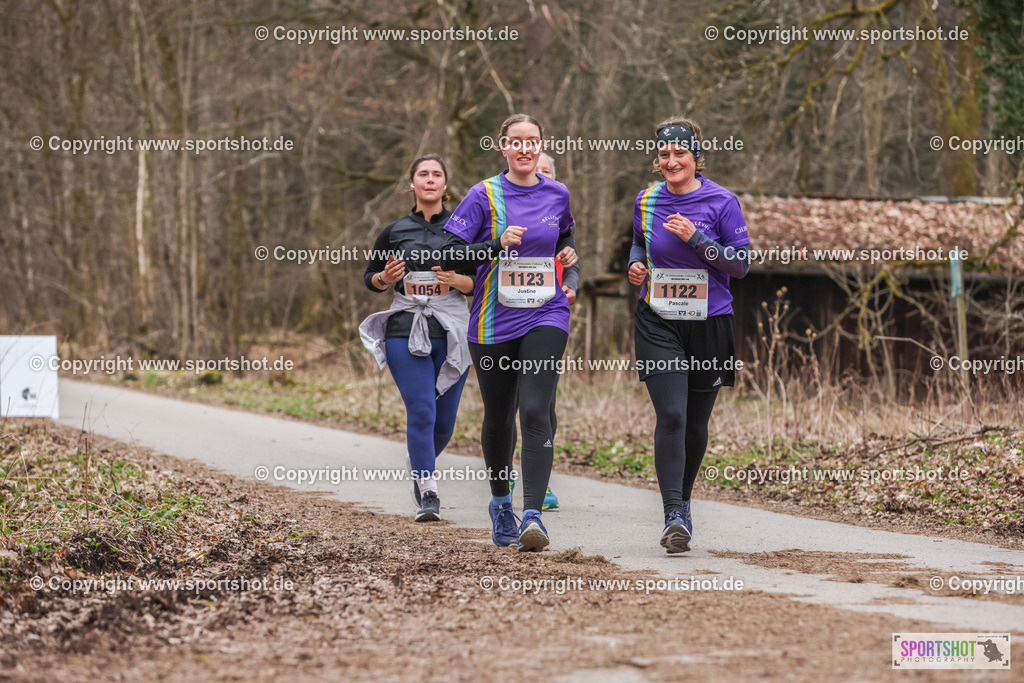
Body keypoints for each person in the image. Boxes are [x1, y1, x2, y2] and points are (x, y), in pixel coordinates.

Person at [440, 114, 577, 551]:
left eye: (532, 142)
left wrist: (567, 253)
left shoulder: (558, 193)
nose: (525, 149)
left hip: (546, 313)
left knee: (536, 411)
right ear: (503, 147)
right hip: (493, 321)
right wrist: (495, 245)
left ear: (540, 146)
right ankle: (502, 504)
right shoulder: (484, 195)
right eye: (516, 142)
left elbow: (564, 235)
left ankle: (533, 514)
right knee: (500, 417)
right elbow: (450, 255)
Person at [627, 117, 750, 553]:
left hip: (710, 321)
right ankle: (673, 512)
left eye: (681, 153)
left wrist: (698, 239)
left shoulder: (722, 201)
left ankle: (686, 499)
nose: (672, 160)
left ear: (697, 158)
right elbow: (640, 242)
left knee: (696, 422)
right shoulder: (646, 199)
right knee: (673, 416)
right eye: (664, 154)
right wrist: (635, 265)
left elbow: (740, 265)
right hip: (657, 320)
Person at [359, 154, 476, 523]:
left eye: (436, 174)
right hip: (405, 326)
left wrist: (456, 281)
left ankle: (419, 459)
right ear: (412, 184)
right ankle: (428, 492)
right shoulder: (394, 231)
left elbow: (477, 281)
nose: (429, 179)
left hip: (453, 328)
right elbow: (371, 278)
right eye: (422, 174)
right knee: (422, 410)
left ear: (445, 184)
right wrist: (385, 278)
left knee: (443, 423)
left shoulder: (463, 229)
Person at [508, 152, 576, 510]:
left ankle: (539, 485)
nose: (539, 176)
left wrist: (572, 283)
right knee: (507, 406)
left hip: (547, 316)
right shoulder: (503, 209)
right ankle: (503, 478)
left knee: (541, 406)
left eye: (546, 172)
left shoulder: (558, 208)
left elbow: (571, 249)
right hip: (504, 317)